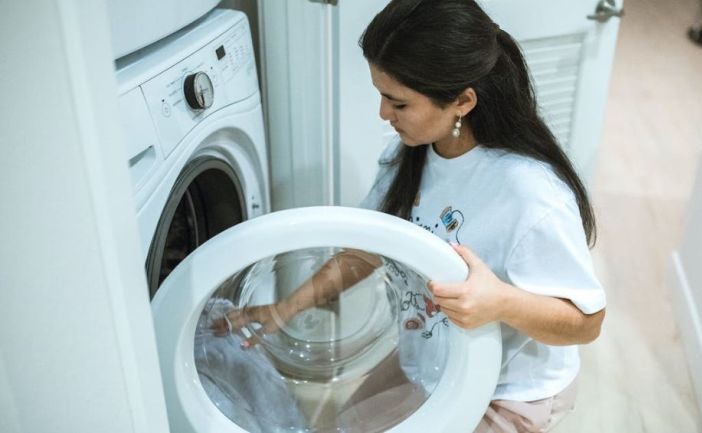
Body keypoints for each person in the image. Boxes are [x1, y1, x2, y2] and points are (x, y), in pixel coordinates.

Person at [215, 0, 606, 431]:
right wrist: (283, 309)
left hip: (508, 387)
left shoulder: (531, 194)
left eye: (398, 104)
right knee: (347, 425)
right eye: (382, 96)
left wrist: (501, 302)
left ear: (462, 101)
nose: (383, 115)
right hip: (432, 357)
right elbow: (366, 253)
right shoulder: (411, 156)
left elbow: (586, 322)